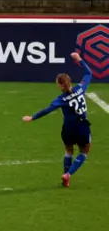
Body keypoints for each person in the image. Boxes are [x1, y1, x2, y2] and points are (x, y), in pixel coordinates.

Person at [22, 52, 92, 188]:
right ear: (70, 81)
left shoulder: (60, 99)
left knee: (68, 151)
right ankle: (68, 175)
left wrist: (32, 118)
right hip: (82, 127)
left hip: (68, 129)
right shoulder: (81, 88)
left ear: (60, 85)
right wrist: (79, 60)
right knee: (84, 152)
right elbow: (88, 73)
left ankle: (66, 177)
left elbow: (47, 110)